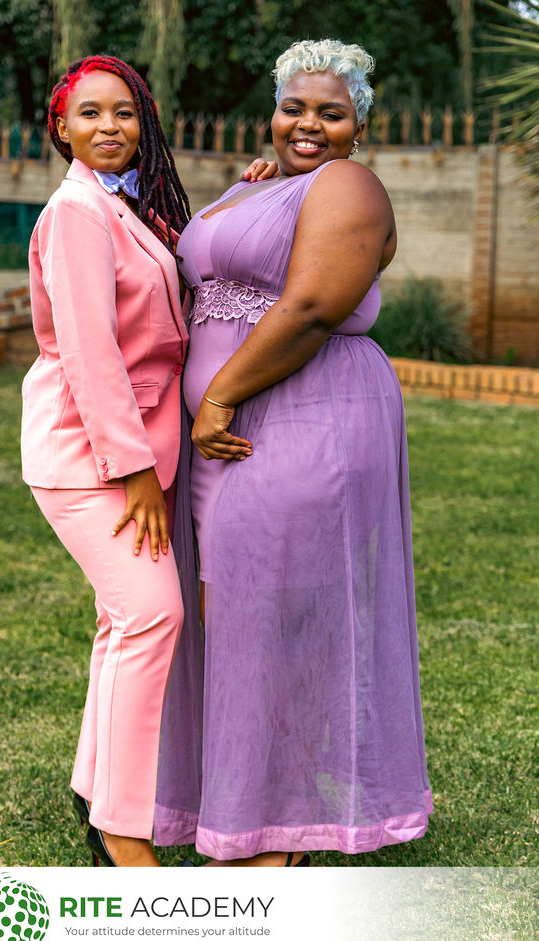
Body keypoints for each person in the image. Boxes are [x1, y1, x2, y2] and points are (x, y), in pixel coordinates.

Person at [154, 39, 432, 866]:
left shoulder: (349, 186)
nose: (309, 123)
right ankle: (252, 802)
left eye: (331, 113)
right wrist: (251, 194)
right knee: (232, 615)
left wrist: (218, 397)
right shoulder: (262, 184)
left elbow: (311, 306)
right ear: (273, 112)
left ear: (359, 128)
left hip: (304, 419)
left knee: (273, 615)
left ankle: (283, 826)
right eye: (294, 107)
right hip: (225, 438)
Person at [21, 54, 274, 867]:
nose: (110, 126)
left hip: (137, 453)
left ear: (145, 124)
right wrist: (133, 471)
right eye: (90, 113)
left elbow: (179, 272)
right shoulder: (75, 214)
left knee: (121, 619)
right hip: (88, 455)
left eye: (124, 112)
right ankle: (122, 828)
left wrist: (242, 198)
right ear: (61, 128)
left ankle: (94, 787)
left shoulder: (123, 207)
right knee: (153, 614)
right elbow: (90, 351)